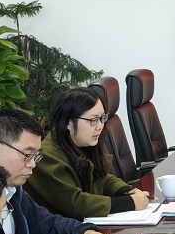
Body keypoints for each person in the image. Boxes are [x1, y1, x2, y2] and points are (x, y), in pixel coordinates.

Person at [25, 87, 150, 221]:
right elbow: (76, 203)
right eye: (93, 120)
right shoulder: (47, 157)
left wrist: (127, 191)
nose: (100, 126)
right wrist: (129, 203)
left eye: (102, 118)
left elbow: (101, 177)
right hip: (60, 231)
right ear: (68, 122)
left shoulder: (82, 142)